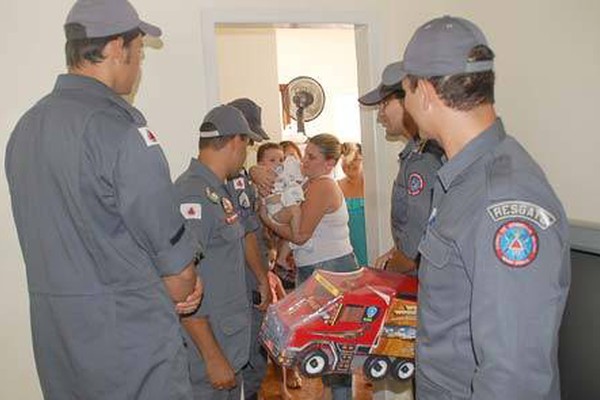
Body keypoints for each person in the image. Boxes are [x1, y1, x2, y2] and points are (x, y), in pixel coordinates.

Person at [4, 1, 203, 399]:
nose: (139, 65)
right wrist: (181, 286)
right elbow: (179, 273)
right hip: (134, 356)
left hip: (62, 351)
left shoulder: (26, 129)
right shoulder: (120, 131)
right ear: (116, 47)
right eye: (140, 52)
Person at [383, 16, 571, 400]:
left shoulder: (501, 200)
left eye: (406, 89)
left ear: (427, 94)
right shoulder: (462, 179)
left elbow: (514, 378)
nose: (406, 103)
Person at [260, 133, 359, 400]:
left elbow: (301, 234)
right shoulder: (309, 183)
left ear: (330, 163)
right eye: (305, 155)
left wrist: (265, 218)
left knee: (336, 347)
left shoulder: (323, 185)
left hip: (332, 269)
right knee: (326, 345)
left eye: (312, 157)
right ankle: (331, 395)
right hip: (317, 268)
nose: (305, 162)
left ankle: (339, 396)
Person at [175, 105, 261, 399]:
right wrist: (212, 356)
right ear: (236, 141)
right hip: (208, 355)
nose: (245, 154)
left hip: (228, 343)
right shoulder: (193, 196)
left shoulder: (217, 192)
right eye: (247, 145)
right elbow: (181, 282)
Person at [359, 65, 444, 274]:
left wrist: (389, 272)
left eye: (385, 104)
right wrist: (395, 251)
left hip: (424, 278)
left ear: (409, 100)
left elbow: (413, 250)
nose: (380, 116)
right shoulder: (414, 153)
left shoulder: (424, 161)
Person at [226, 98, 273, 400]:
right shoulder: (232, 181)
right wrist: (262, 278)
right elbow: (245, 236)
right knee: (252, 363)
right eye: (248, 140)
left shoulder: (240, 177)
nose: (250, 147)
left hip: (251, 279)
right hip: (246, 284)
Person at [338, 142, 368, 266]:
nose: (349, 163)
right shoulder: (336, 186)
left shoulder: (372, 185)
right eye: (345, 159)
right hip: (346, 247)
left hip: (370, 245)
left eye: (355, 159)